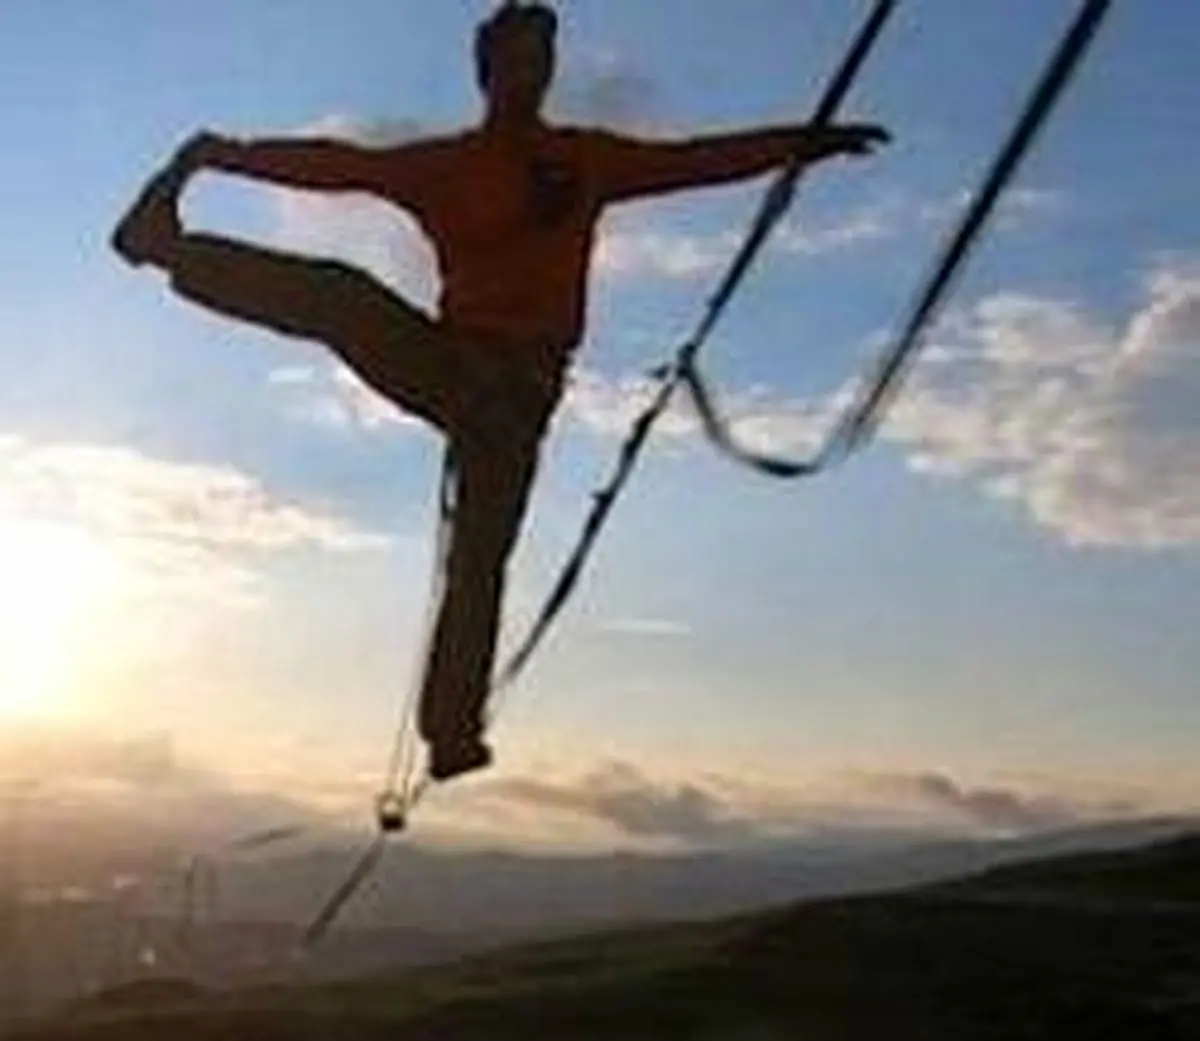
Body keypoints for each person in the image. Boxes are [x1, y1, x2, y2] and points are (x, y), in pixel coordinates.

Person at [111, 1, 890, 782]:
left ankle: (451, 733)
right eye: (516, 59)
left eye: (539, 60)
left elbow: (700, 160)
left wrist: (808, 143)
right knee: (340, 297)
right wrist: (221, 155)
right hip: (451, 362)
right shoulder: (445, 166)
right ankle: (168, 249)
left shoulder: (584, 159)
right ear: (487, 72)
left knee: (480, 557)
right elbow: (337, 165)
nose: (529, 73)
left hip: (518, 393)